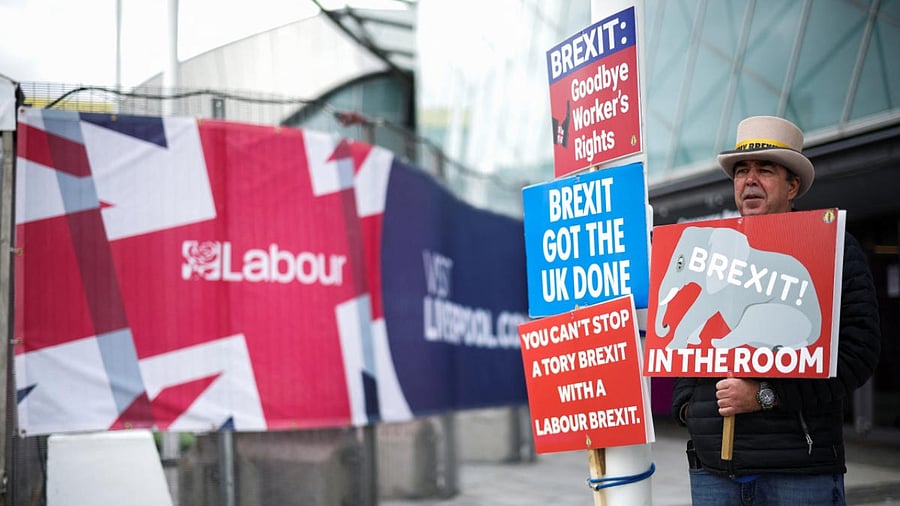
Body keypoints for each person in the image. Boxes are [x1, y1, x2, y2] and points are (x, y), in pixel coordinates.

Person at [670, 116, 881, 505]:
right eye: (741, 172)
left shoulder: (833, 249)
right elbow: (688, 334)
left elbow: (858, 353)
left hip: (799, 473)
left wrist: (766, 395)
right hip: (713, 472)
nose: (749, 180)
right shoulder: (717, 250)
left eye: (765, 170)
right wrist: (690, 408)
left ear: (793, 185)